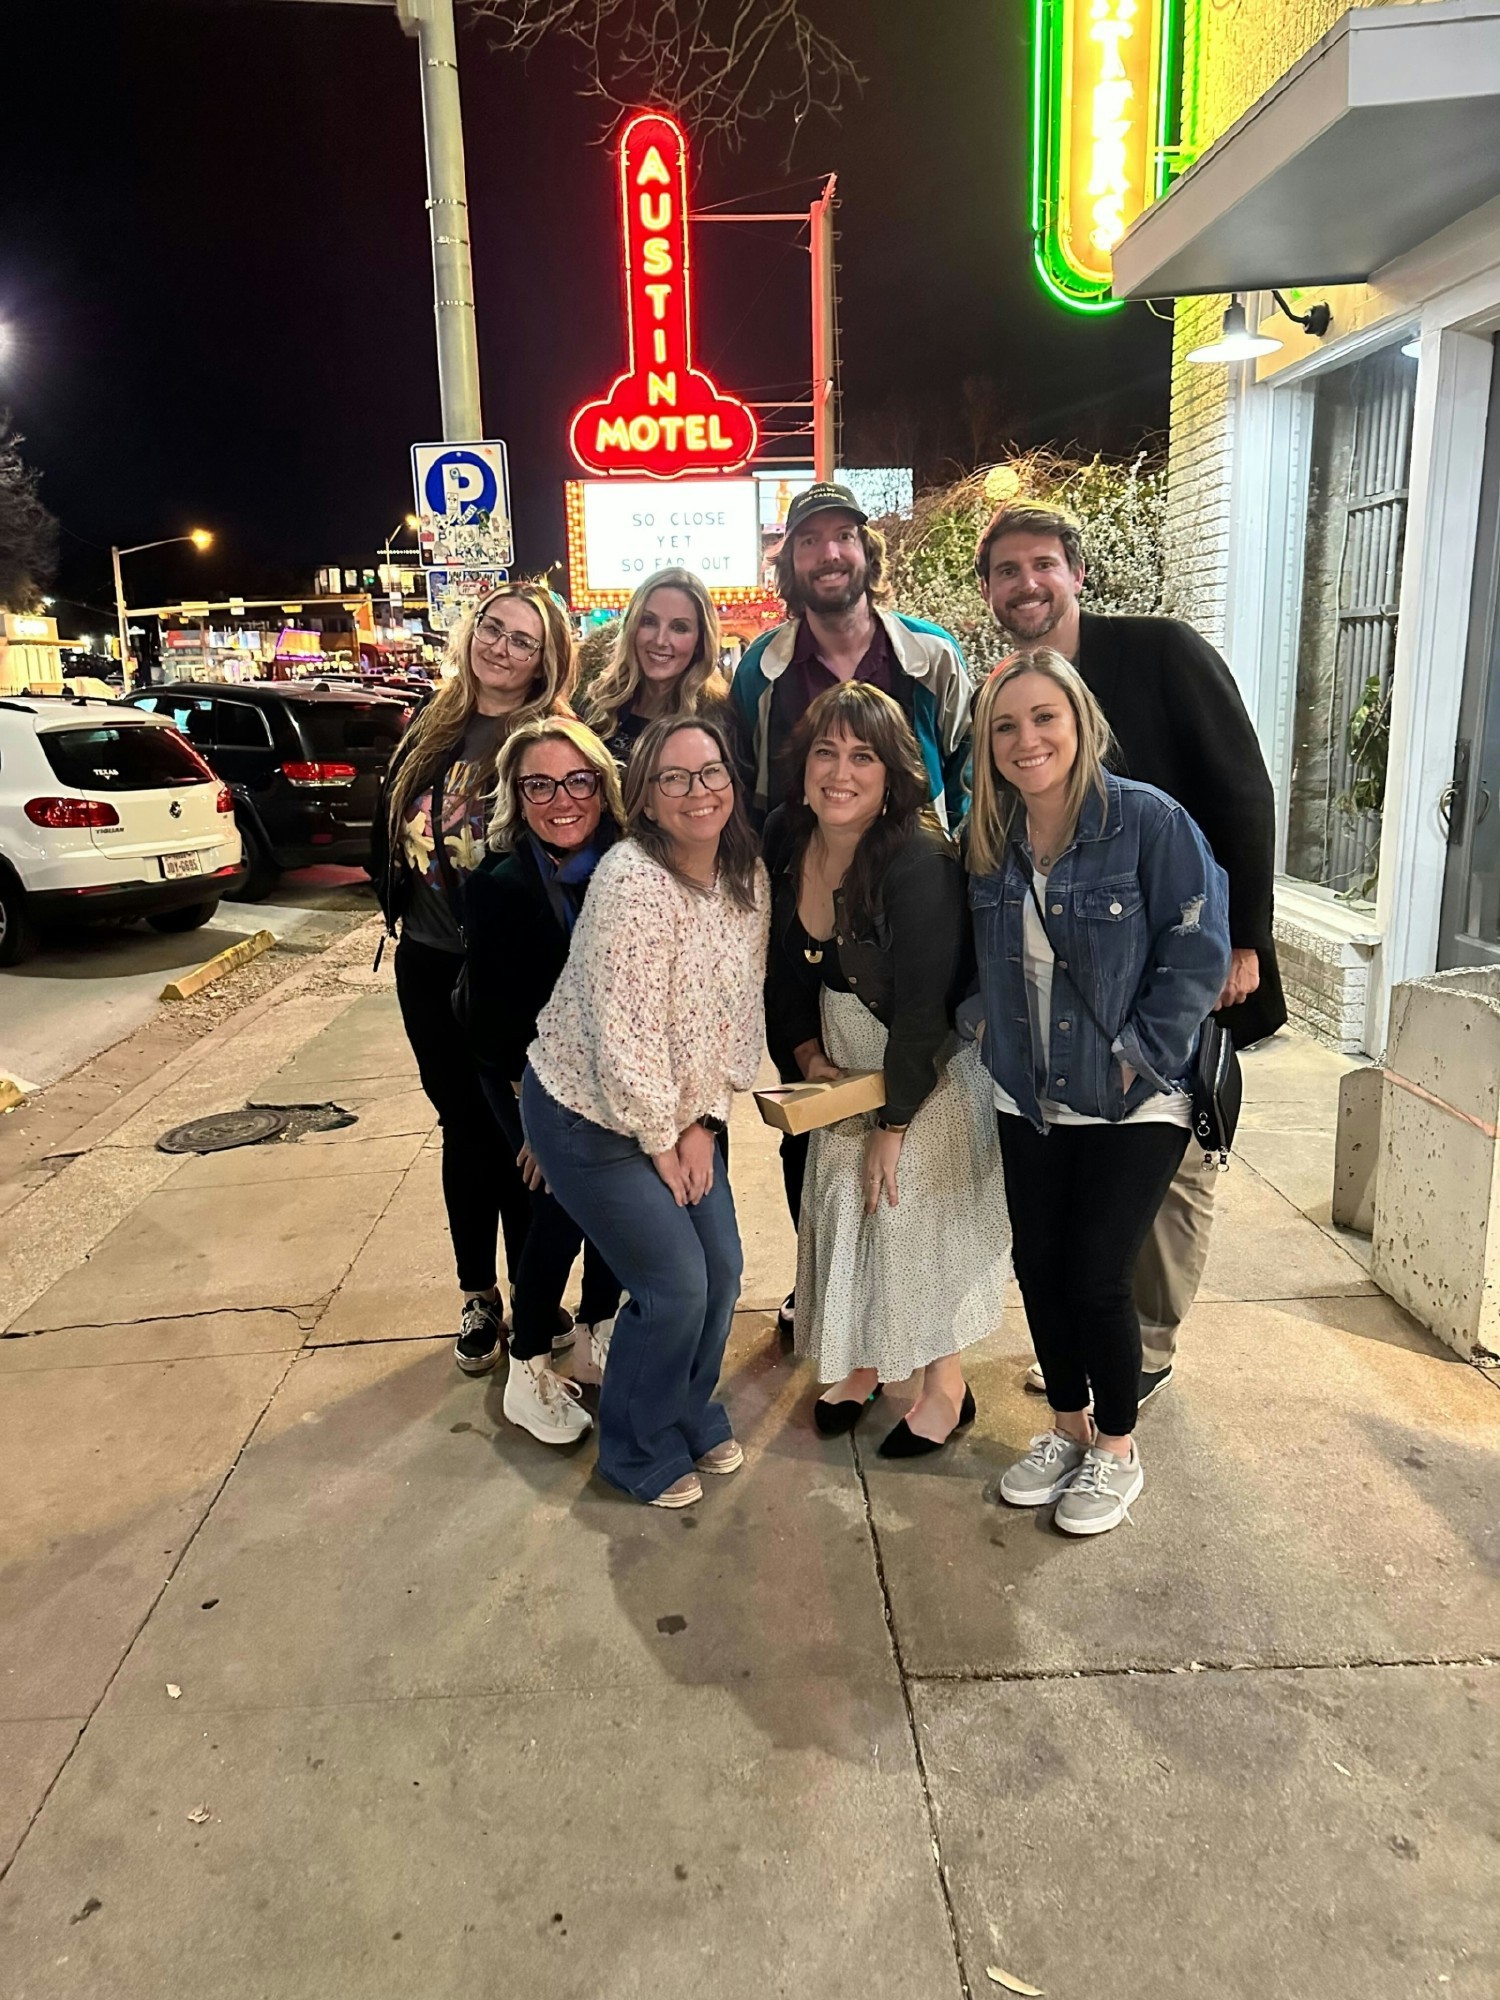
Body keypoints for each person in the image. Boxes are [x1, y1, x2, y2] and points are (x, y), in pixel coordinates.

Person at [975, 500, 1283, 1403]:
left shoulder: (1160, 651)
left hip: (1186, 948)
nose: (1025, 583)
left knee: (1177, 1158)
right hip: (1076, 981)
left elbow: (1244, 791)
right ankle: (1096, 1339)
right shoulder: (1010, 692)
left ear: (1075, 571)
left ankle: (1145, 1344)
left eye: (1041, 564)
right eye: (1005, 571)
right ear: (990, 592)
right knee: (1078, 1209)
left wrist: (1245, 938)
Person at [968, 651, 1230, 1536]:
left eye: (1044, 718)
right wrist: (981, 1026)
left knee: (1096, 1272)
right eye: (1006, 725)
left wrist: (1142, 1050)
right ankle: (1067, 1428)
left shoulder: (1147, 821)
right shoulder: (991, 834)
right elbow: (975, 956)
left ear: (1079, 722)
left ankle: (1116, 1448)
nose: (1026, 739)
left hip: (1132, 1094)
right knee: (1038, 1266)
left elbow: (1198, 948)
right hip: (1028, 1092)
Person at [733, 481, 976, 1337]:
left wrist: (950, 877)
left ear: (866, 554)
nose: (829, 554)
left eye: (844, 538)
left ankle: (918, 1333)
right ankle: (835, 1293)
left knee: (913, 1139)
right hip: (810, 907)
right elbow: (750, 788)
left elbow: (971, 773)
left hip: (904, 907)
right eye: (810, 541)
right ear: (791, 563)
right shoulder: (762, 671)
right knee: (817, 1141)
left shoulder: (932, 656)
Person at [521, 713, 769, 1510]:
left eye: (711, 773)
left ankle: (685, 1408)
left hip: (681, 1114)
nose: (698, 792)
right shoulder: (630, 879)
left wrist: (703, 1122)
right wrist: (666, 1140)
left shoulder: (747, 878)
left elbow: (739, 1014)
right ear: (648, 800)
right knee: (675, 1287)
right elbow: (620, 1034)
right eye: (674, 778)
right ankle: (635, 1447)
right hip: (587, 1113)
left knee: (723, 1271)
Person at [765, 683, 1009, 1452]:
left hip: (919, 1073)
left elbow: (925, 1010)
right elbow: (783, 969)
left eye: (862, 755)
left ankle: (946, 1386)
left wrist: (895, 1122)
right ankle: (866, 1361)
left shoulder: (917, 859)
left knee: (910, 1215)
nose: (840, 771)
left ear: (892, 771)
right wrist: (805, 1053)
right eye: (826, 752)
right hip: (839, 1068)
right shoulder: (786, 838)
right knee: (851, 1213)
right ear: (802, 767)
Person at [372, 584, 575, 1373]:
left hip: (512, 970)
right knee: (463, 1129)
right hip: (427, 963)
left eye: (524, 640)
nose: (502, 647)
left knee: (522, 1137)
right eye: (494, 628)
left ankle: (534, 1295)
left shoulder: (549, 738)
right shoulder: (432, 723)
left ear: (544, 660)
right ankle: (477, 1295)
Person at [462, 717, 627, 1445]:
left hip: (612, 1072)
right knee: (560, 1199)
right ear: (517, 795)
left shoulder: (630, 866)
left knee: (617, 1204)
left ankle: (595, 1328)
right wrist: (539, 1126)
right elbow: (498, 1029)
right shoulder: (500, 885)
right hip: (524, 1074)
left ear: (602, 784)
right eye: (539, 784)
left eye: (577, 780)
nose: (561, 800)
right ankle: (527, 1362)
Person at [580, 566, 745, 775]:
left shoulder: (719, 720)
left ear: (699, 642)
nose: (660, 640)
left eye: (679, 628)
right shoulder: (598, 705)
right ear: (631, 628)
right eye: (648, 622)